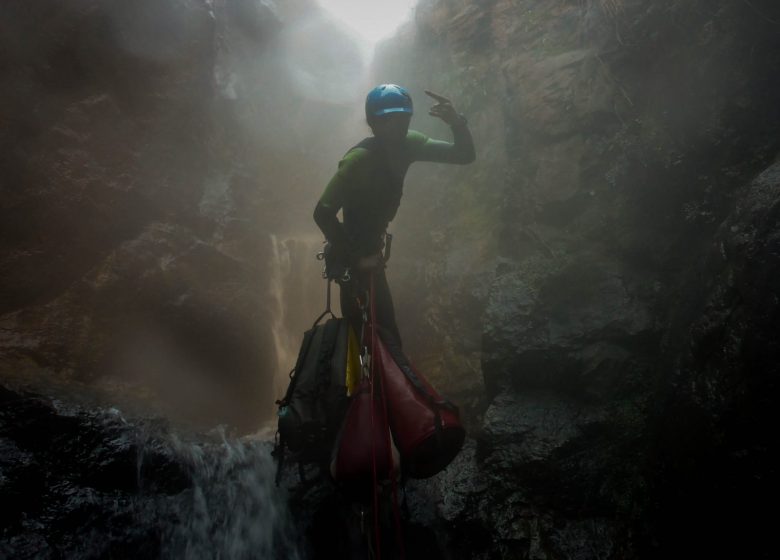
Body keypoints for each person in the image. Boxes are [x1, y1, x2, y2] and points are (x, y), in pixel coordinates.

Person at [313, 84, 475, 346]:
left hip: (372, 255)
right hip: (351, 259)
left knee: (385, 337)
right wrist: (356, 261)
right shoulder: (358, 160)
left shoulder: (410, 144)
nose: (399, 126)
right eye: (391, 120)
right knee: (366, 338)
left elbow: (464, 155)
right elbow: (322, 213)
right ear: (374, 123)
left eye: (404, 119)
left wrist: (456, 122)